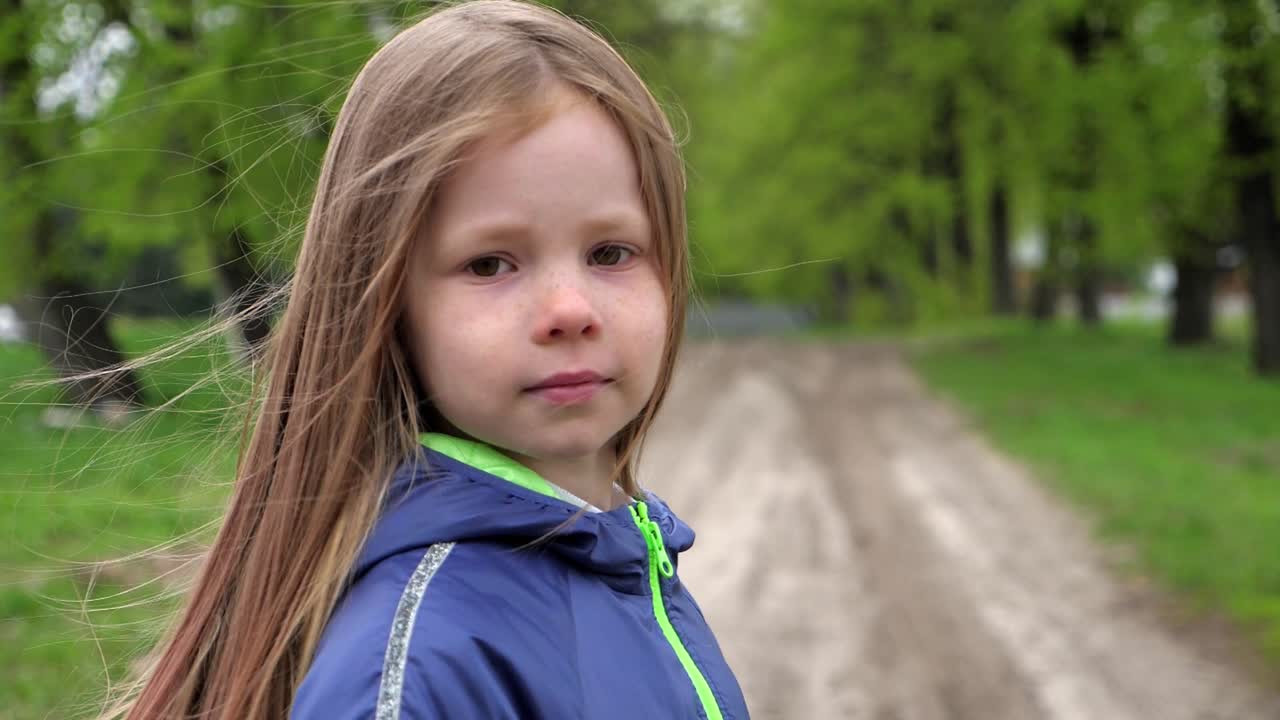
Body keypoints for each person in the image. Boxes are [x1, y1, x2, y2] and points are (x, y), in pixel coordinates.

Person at [106, 1, 748, 718]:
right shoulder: (418, 667)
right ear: (387, 303)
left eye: (610, 253)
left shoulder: (628, 558)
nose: (570, 309)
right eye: (490, 264)